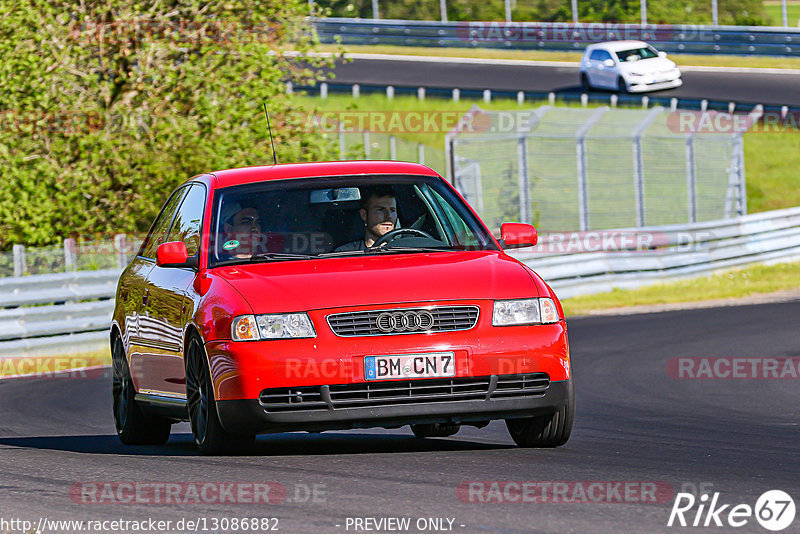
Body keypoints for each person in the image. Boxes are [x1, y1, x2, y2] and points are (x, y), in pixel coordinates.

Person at [335, 186, 397, 252]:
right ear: (364, 215)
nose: (388, 215)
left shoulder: (405, 250)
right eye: (381, 210)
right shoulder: (345, 253)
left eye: (392, 210)